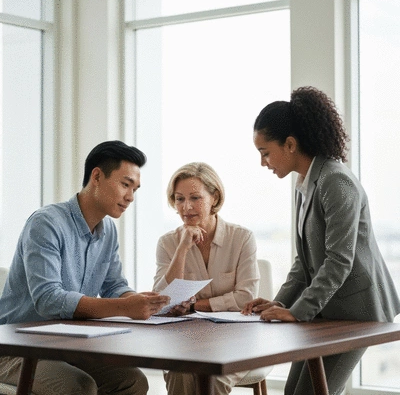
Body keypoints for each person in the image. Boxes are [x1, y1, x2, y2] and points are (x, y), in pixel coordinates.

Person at [242, 86, 400, 395]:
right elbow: (304, 262)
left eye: (264, 152)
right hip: (331, 311)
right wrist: (280, 303)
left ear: (290, 144)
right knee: (294, 392)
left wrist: (297, 312)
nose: (263, 162)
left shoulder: (335, 180)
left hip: (359, 312)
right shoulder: (305, 184)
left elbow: (339, 260)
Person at [0, 140, 170, 395]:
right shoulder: (46, 223)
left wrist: (141, 301)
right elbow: (48, 299)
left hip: (67, 345)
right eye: (125, 185)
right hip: (16, 348)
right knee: (79, 386)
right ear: (97, 176)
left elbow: (114, 286)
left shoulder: (108, 230)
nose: (130, 197)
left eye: (135, 189)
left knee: (133, 381)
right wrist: (126, 307)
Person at [153, 162, 260, 395]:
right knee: (178, 371)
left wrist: (194, 305)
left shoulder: (241, 238)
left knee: (213, 379)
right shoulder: (168, 242)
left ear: (214, 198)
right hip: (187, 337)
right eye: (179, 199)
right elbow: (161, 301)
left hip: (236, 338)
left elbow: (245, 298)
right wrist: (182, 248)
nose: (186, 207)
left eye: (195, 198)